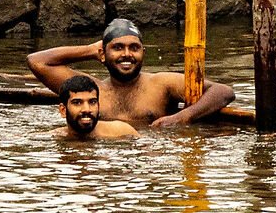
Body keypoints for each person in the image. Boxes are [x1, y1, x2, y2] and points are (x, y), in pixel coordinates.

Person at [27, 18, 236, 130]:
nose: (127, 54)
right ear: (103, 53)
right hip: (102, 160)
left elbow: (223, 91)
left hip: (151, 161)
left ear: (143, 52)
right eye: (117, 48)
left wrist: (182, 118)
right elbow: (37, 61)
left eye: (134, 48)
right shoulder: (89, 91)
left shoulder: (161, 84)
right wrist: (91, 50)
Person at [52, 73, 138, 140]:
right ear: (63, 110)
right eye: (77, 103)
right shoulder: (52, 137)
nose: (87, 109)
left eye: (92, 102)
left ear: (98, 105)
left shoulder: (122, 131)